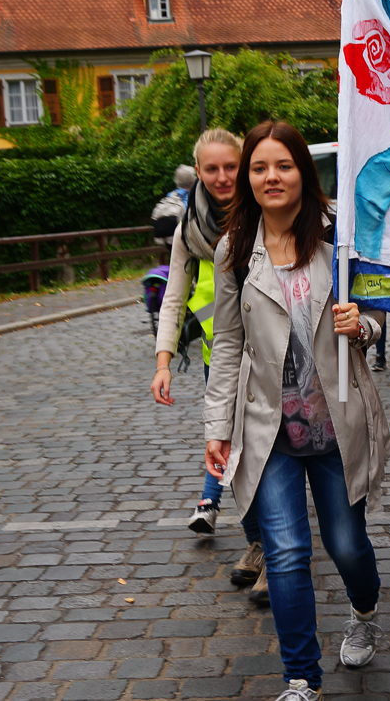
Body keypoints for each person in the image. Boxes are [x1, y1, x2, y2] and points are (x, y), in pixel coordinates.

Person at [203, 121, 390, 701]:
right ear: (248, 179)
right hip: (270, 432)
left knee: (347, 546)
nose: (271, 177)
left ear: (303, 173)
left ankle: (364, 611)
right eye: (259, 168)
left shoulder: (341, 235)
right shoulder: (235, 250)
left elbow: (378, 314)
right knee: (285, 554)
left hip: (336, 425)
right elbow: (227, 342)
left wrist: (363, 326)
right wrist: (217, 427)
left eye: (282, 165)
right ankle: (302, 678)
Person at [150, 130, 269, 601]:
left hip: (273, 357)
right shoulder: (190, 229)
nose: (222, 177)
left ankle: (276, 551)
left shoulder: (267, 214)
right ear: (197, 172)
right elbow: (173, 297)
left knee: (267, 456)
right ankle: (261, 544)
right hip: (217, 359)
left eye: (231, 167)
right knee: (235, 457)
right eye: (212, 169)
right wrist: (163, 362)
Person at [151, 164, 197, 248]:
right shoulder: (191, 197)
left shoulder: (171, 195)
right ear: (192, 182)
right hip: (185, 242)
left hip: (169, 240)